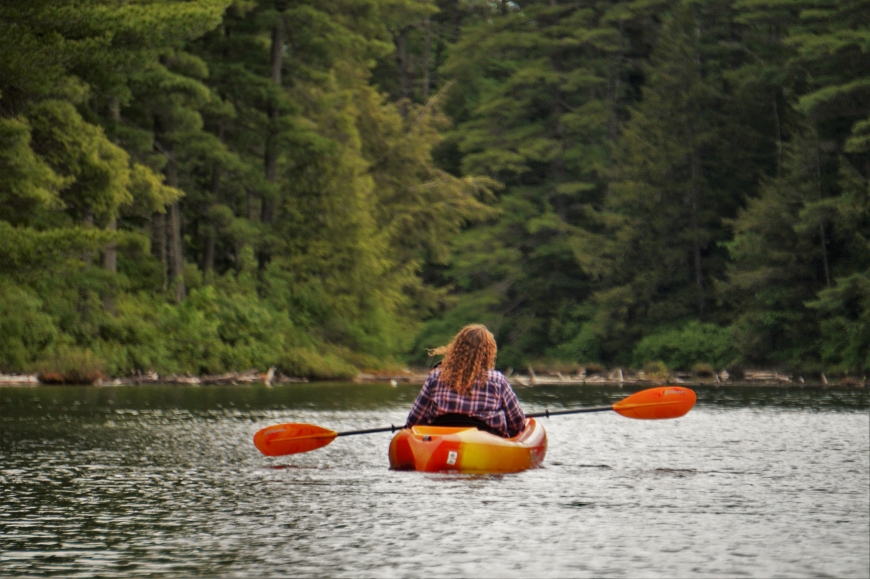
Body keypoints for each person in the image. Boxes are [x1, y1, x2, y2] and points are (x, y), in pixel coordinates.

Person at [405, 324, 526, 438]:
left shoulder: (436, 377)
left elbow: (414, 421)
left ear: (457, 348)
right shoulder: (498, 381)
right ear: (488, 353)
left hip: (441, 444)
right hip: (486, 447)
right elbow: (517, 423)